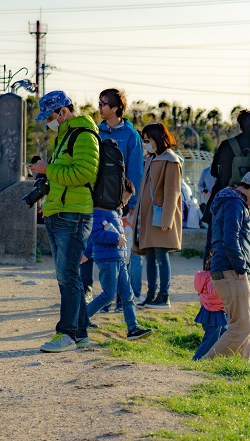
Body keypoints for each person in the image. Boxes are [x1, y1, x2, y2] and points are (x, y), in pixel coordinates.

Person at [29, 90, 99, 353]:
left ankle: (66, 333)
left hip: (75, 213)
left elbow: (84, 173)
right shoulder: (65, 136)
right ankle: (80, 333)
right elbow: (64, 175)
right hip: (60, 211)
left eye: (50, 116)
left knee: (68, 276)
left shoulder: (83, 135)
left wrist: (50, 170)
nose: (49, 121)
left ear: (64, 111)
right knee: (67, 276)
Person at [81, 88, 146, 306]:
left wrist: (132, 203)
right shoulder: (95, 132)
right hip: (95, 200)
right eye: (99, 103)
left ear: (116, 107)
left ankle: (122, 297)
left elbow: (135, 172)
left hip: (119, 204)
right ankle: (86, 290)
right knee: (89, 243)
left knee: (122, 248)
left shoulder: (131, 135)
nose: (99, 107)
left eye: (103, 104)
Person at [204, 171, 250, 361]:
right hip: (230, 270)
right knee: (241, 327)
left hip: (224, 268)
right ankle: (207, 363)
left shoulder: (230, 200)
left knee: (243, 326)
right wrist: (241, 267)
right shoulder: (235, 203)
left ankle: (244, 365)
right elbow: (231, 239)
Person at [81, 179, 152, 341]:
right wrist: (114, 238)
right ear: (115, 194)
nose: (126, 203)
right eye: (125, 198)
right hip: (107, 260)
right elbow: (95, 235)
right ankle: (81, 320)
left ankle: (133, 328)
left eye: (128, 199)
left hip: (119, 259)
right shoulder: (99, 211)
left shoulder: (116, 212)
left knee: (127, 295)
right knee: (108, 295)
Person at [202, 109, 250, 260]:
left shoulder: (226, 145)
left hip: (222, 198)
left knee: (213, 243)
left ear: (240, 125)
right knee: (240, 244)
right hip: (246, 204)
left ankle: (208, 279)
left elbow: (213, 171)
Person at [134, 123, 183, 309]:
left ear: (158, 139)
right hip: (148, 217)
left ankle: (164, 296)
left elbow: (172, 192)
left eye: (148, 140)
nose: (146, 144)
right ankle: (151, 295)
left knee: (161, 256)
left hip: (160, 216)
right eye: (144, 141)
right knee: (150, 256)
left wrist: (167, 219)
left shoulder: (171, 160)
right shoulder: (151, 159)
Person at [192, 258, 228, 361]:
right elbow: (215, 293)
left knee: (225, 333)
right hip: (214, 313)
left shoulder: (204, 276)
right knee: (210, 340)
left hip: (210, 311)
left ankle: (219, 358)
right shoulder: (214, 278)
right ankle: (197, 359)